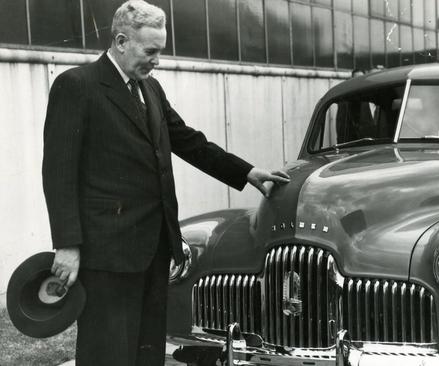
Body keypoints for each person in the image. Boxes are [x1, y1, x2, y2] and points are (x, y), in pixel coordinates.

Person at [42, 1, 289, 365]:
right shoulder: (77, 86)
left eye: (161, 50)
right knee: (107, 353)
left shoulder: (150, 89)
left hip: (154, 248)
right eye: (151, 51)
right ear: (122, 41)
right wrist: (67, 245)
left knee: (148, 352)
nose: (157, 59)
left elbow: (188, 141)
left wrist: (246, 172)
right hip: (107, 255)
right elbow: (58, 172)